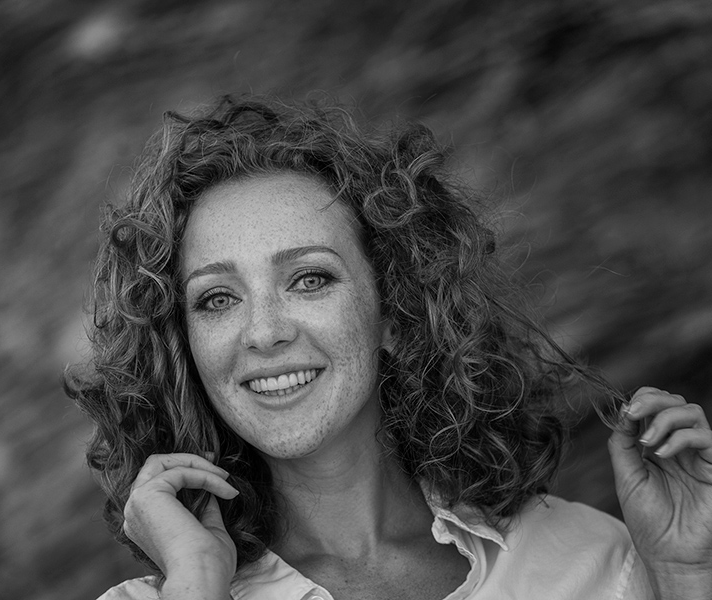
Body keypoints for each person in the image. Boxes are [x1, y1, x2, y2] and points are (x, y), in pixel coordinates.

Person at [64, 94, 712, 600]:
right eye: (216, 299)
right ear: (186, 347)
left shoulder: (588, 558)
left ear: (394, 313)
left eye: (309, 279)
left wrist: (687, 576)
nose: (263, 332)